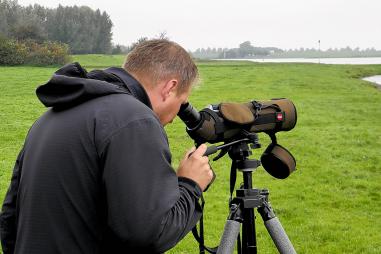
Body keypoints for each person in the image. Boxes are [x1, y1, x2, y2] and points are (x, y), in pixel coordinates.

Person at [0, 39, 214, 253]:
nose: (177, 116)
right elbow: (149, 234)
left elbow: (10, 220)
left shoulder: (49, 117)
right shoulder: (135, 119)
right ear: (170, 88)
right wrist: (190, 185)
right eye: (182, 101)